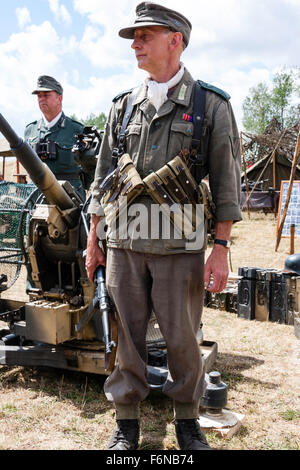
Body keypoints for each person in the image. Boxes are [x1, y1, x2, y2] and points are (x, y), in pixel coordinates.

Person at [86, 2, 242, 451]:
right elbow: (102, 179)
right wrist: (95, 239)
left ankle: (188, 422)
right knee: (127, 338)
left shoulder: (209, 104)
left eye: (144, 35)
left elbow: (227, 184)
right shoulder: (122, 106)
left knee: (182, 339)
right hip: (125, 243)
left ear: (175, 40)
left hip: (180, 246)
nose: (135, 44)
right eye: (133, 38)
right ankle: (127, 423)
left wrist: (220, 248)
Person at [25, 75, 89, 200]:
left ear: (59, 98)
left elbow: (90, 169)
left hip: (70, 199)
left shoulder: (77, 130)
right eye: (39, 96)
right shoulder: (30, 130)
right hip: (37, 198)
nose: (41, 99)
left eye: (46, 95)